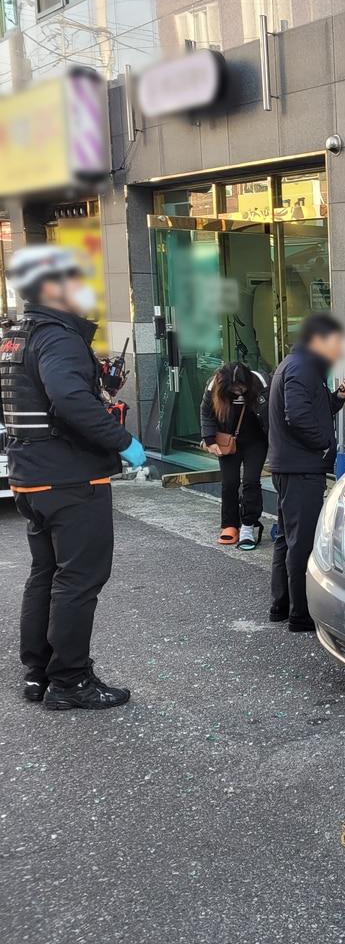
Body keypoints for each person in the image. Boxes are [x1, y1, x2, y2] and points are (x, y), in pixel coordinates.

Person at [0, 246, 146, 710]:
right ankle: (70, 680)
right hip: (68, 480)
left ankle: (38, 672)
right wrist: (122, 442)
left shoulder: (17, 335)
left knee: (47, 573)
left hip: (31, 477)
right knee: (79, 580)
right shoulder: (58, 337)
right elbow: (68, 398)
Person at [265, 313, 345, 632]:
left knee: (287, 539)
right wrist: (322, 444)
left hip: (291, 465)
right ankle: (300, 614)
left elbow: (313, 410)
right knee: (302, 541)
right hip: (300, 467)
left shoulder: (298, 364)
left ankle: (281, 605)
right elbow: (298, 415)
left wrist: (338, 399)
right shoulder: (303, 367)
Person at [199, 361, 270, 550]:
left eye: (241, 387)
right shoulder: (215, 384)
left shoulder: (261, 381)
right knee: (229, 483)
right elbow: (206, 412)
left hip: (256, 440)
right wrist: (209, 439)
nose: (238, 391)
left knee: (251, 481)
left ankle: (248, 526)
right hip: (227, 440)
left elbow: (273, 412)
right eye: (233, 388)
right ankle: (229, 525)